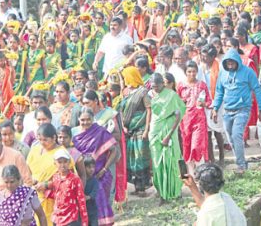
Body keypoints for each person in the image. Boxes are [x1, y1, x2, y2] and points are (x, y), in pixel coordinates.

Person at [211, 49, 261, 174]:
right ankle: (241, 160)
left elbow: (257, 89)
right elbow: (219, 92)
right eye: (228, 63)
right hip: (227, 110)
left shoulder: (248, 72)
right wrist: (215, 108)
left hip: (243, 109)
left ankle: (241, 165)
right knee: (230, 138)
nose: (230, 65)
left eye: (232, 63)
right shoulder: (223, 74)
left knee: (237, 135)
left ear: (237, 62)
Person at [71, 108, 117, 225]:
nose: (85, 122)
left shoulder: (100, 131)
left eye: (88, 119)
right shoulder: (74, 133)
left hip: (98, 174)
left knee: (99, 199)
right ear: (78, 120)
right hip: (80, 175)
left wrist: (105, 169)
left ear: (93, 119)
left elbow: (114, 151)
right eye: (82, 120)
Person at [0, 127, 33, 221]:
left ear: (0, 140)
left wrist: (18, 203)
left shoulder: (16, 156)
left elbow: (28, 182)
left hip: (13, 205)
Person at [26, 123, 73, 224]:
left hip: (53, 199)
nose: (42, 143)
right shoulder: (35, 149)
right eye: (40, 139)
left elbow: (68, 178)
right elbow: (27, 169)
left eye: (45, 140)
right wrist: (32, 180)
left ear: (54, 138)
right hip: (33, 195)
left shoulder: (61, 153)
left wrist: (47, 184)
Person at [148, 73, 185, 201]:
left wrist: (168, 136)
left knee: (170, 161)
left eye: (157, 86)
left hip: (168, 132)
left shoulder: (171, 96)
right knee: (157, 163)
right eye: (153, 86)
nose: (155, 88)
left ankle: (174, 191)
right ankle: (161, 192)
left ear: (163, 83)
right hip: (154, 132)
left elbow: (178, 115)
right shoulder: (153, 96)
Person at [118, 66, 151, 195]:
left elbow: (149, 110)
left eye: (126, 77)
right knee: (131, 158)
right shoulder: (126, 92)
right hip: (128, 130)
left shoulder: (142, 92)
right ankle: (136, 186)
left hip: (140, 129)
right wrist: (124, 126)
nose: (125, 79)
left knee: (140, 157)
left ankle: (142, 186)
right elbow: (121, 110)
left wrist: (146, 129)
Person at [182, 163, 246, 226]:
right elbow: (207, 206)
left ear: (199, 184)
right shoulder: (225, 198)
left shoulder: (206, 213)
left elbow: (207, 210)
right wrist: (192, 187)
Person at [176, 61, 211, 173]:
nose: (192, 74)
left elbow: (209, 101)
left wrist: (204, 104)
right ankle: (191, 173)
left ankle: (201, 171)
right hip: (185, 120)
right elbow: (176, 102)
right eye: (189, 71)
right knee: (187, 145)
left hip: (199, 119)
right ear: (185, 72)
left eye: (194, 71)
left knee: (197, 145)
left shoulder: (202, 85)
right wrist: (182, 102)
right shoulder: (181, 85)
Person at [46, 150, 89, 226]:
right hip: (57, 217)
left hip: (71, 218)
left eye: (65, 162)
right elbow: (56, 194)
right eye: (59, 162)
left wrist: (84, 221)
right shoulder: (55, 177)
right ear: (55, 163)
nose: (62, 165)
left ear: (69, 163)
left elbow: (81, 200)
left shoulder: (75, 179)